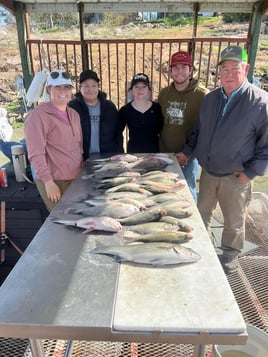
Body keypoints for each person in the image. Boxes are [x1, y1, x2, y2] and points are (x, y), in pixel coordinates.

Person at [177, 45, 268, 274]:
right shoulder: (211, 99)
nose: (228, 73)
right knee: (202, 214)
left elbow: (266, 146)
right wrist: (187, 152)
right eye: (224, 68)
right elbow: (199, 132)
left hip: (236, 176)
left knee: (233, 221)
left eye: (234, 68)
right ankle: (203, 249)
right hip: (208, 173)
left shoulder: (260, 103)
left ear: (246, 69)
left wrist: (251, 173)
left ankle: (229, 255)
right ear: (218, 71)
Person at [24, 69, 83, 212]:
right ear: (49, 89)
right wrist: (48, 182)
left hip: (75, 177)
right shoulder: (38, 116)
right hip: (54, 179)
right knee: (62, 220)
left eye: (67, 87)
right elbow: (35, 153)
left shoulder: (74, 114)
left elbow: (78, 146)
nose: (63, 91)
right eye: (58, 87)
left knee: (78, 218)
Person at [158, 51, 209, 202]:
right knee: (164, 193)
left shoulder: (203, 95)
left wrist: (187, 153)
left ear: (191, 70)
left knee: (187, 193)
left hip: (188, 156)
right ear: (170, 71)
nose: (179, 71)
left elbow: (204, 130)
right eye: (175, 67)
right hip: (164, 153)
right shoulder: (164, 93)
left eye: (184, 67)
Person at [68, 69, 123, 160]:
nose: (90, 89)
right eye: (86, 86)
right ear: (80, 87)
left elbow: (118, 134)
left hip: (108, 157)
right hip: (82, 158)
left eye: (94, 86)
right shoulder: (72, 107)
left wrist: (120, 153)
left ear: (98, 87)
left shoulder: (109, 107)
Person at [119, 73, 163, 153]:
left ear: (149, 89)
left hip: (154, 153)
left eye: (144, 86)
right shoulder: (125, 110)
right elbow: (117, 133)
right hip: (133, 154)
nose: (140, 90)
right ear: (131, 90)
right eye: (136, 87)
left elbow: (162, 130)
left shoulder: (157, 108)